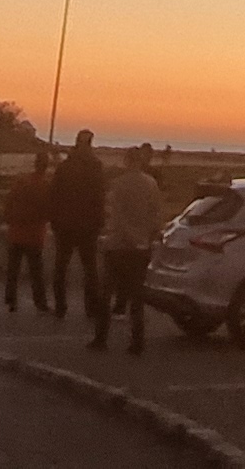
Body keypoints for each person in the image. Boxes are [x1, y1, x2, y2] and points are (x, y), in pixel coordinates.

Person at [91, 146, 163, 354]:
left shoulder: (118, 184)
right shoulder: (151, 184)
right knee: (136, 297)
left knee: (106, 293)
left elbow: (115, 216)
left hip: (118, 245)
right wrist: (147, 237)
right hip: (140, 247)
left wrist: (121, 235)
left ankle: (101, 338)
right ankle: (137, 341)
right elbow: (156, 215)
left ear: (126, 161)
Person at [44, 131, 107, 325]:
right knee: (90, 268)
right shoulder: (95, 166)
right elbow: (99, 197)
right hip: (87, 226)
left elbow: (54, 195)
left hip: (65, 224)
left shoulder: (65, 166)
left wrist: (54, 220)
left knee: (61, 267)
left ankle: (60, 307)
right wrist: (99, 222)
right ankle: (91, 307)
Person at [1, 152, 57, 314]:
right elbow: (48, 210)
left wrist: (9, 219)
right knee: (36, 271)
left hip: (16, 231)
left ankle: (11, 300)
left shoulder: (21, 182)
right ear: (46, 166)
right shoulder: (45, 186)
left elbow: (9, 202)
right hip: (34, 233)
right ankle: (40, 303)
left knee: (13, 269)